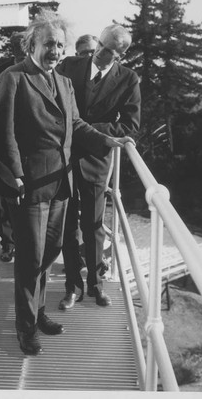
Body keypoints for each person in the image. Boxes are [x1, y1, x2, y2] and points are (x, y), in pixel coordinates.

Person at [0, 10, 134, 356]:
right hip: (30, 184)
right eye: (48, 44)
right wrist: (15, 176)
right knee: (30, 258)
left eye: (60, 45)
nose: (55, 51)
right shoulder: (13, 78)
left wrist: (108, 141)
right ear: (31, 44)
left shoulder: (65, 82)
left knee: (49, 253)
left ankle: (38, 313)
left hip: (61, 183)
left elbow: (77, 125)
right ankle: (25, 328)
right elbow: (2, 133)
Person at [56, 24, 141, 310]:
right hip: (63, 158)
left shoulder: (128, 79)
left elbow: (130, 125)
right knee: (67, 226)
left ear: (122, 54)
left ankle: (95, 285)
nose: (101, 54)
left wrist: (88, 130)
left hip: (95, 159)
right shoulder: (69, 65)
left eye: (109, 51)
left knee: (93, 226)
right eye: (101, 46)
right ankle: (72, 287)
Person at [0, 31, 26, 262]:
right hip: (3, 138)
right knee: (3, 195)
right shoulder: (2, 70)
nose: (22, 56)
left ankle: (23, 241)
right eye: (18, 52)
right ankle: (8, 243)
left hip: (27, 141)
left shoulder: (36, 69)